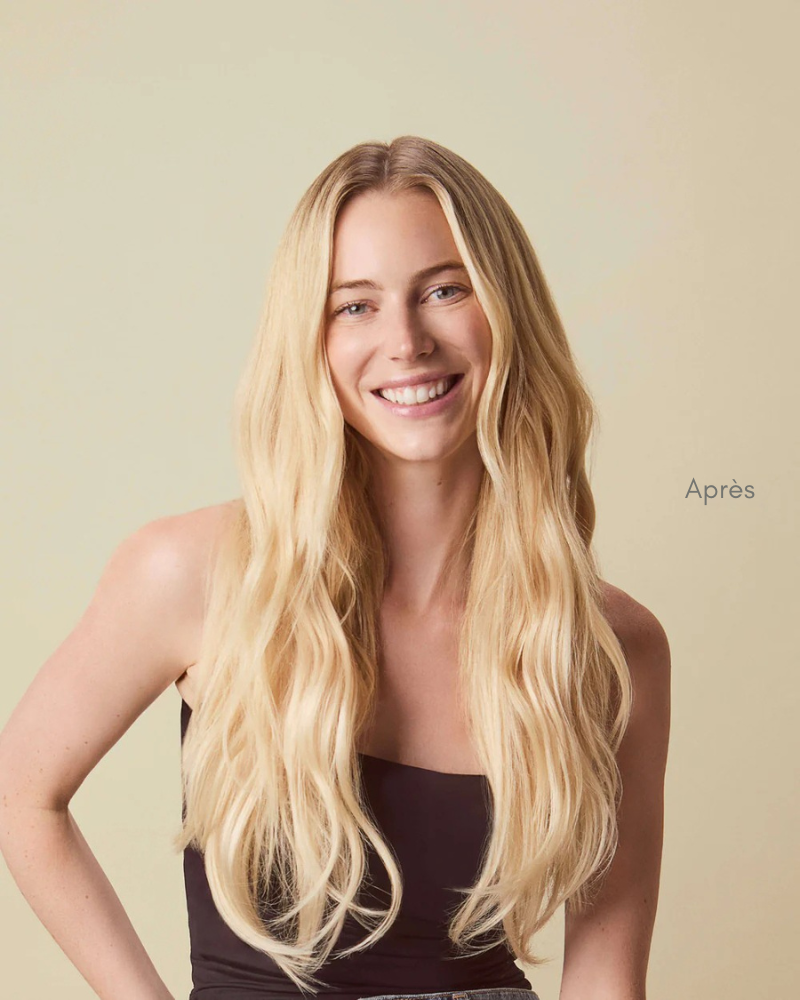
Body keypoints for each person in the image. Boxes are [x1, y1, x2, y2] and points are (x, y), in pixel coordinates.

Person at [0, 136, 671, 1000]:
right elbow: (22, 796)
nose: (406, 341)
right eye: (354, 306)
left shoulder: (609, 644)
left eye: (445, 289)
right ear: (309, 341)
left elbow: (607, 974)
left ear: (507, 310)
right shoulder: (192, 575)